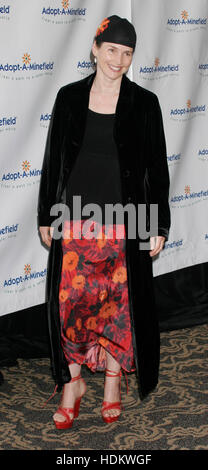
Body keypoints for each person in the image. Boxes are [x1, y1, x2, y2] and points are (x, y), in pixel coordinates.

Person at [38, 15, 170, 429]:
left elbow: (156, 170)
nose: (118, 59)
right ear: (95, 49)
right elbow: (52, 163)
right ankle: (73, 384)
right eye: (111, 49)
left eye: (127, 52)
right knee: (71, 308)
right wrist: (46, 214)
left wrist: (158, 224)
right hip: (74, 224)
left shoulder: (144, 104)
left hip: (123, 222)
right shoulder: (68, 98)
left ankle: (114, 381)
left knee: (116, 310)